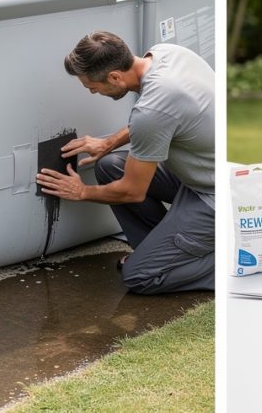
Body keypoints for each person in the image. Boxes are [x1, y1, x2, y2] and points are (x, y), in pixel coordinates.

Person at [36, 31, 215, 294]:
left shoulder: (152, 109)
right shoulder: (167, 54)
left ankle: (224, 263)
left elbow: (133, 190)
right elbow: (163, 117)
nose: (93, 93)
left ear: (115, 77)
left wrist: (81, 191)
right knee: (110, 167)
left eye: (92, 87)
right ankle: (161, 251)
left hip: (212, 196)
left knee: (139, 276)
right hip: (200, 174)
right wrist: (109, 143)